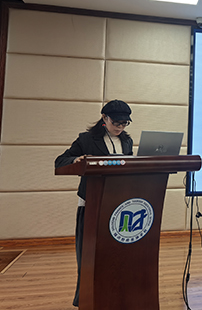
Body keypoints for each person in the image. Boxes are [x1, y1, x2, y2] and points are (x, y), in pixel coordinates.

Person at [55, 99, 133, 307]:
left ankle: (114, 294)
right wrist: (76, 160)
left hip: (119, 204)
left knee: (115, 256)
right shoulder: (87, 139)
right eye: (116, 122)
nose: (120, 127)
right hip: (92, 202)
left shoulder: (127, 141)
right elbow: (60, 161)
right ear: (104, 117)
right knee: (89, 255)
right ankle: (85, 298)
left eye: (125, 123)